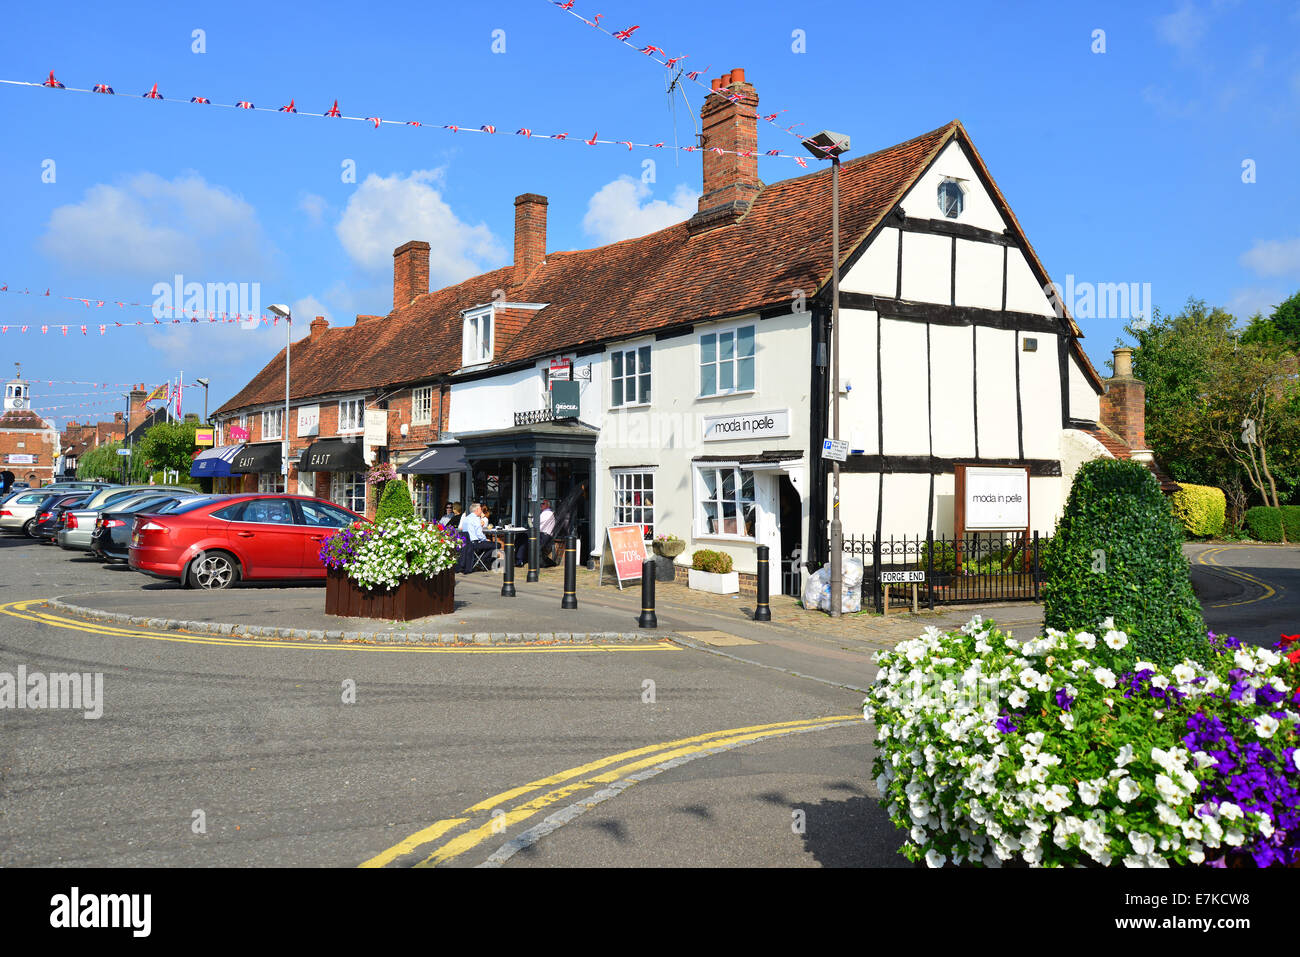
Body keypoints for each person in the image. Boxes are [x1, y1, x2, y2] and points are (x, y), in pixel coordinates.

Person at [516, 499, 557, 567]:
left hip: (543, 536)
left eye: (543, 504)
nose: (541, 505)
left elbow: (535, 521)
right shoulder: (544, 513)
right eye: (541, 503)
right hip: (541, 535)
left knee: (524, 540)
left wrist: (532, 517)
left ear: (548, 505)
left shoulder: (548, 513)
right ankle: (519, 559)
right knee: (521, 537)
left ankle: (519, 560)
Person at [458, 502, 495, 573]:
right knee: (496, 545)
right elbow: (479, 534)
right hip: (474, 543)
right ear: (477, 510)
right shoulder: (476, 519)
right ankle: (481, 561)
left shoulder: (466, 518)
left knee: (486, 545)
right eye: (480, 509)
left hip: (466, 543)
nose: (481, 511)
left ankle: (479, 560)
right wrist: (485, 539)